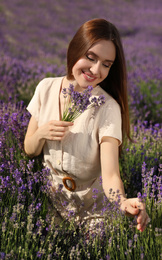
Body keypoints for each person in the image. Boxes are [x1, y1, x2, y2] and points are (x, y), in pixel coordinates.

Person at [24, 18, 149, 232]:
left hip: (91, 209)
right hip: (48, 200)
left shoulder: (107, 108)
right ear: (76, 48)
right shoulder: (46, 88)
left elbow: (110, 175)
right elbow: (29, 149)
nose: (96, 69)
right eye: (90, 57)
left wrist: (122, 201)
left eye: (106, 64)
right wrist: (42, 132)